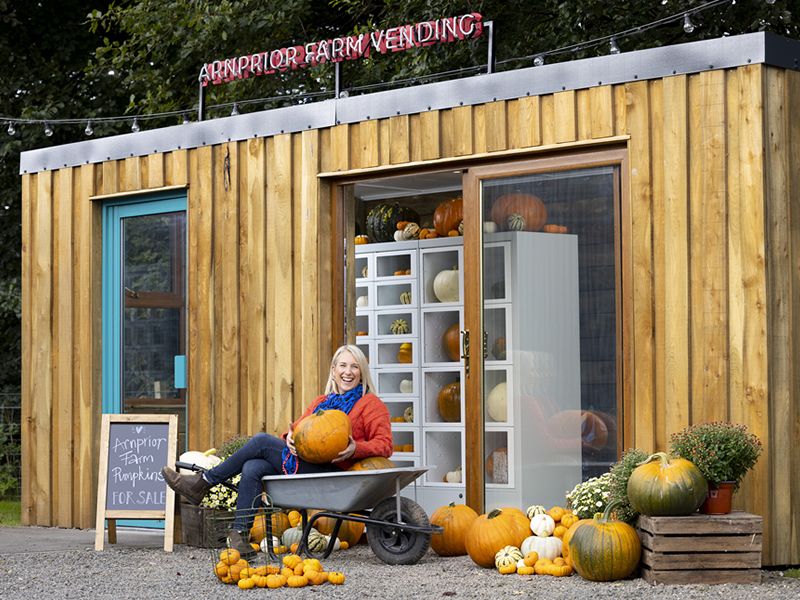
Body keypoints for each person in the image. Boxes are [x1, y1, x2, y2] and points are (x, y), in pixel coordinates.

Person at [161, 344, 392, 553]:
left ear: (362, 372)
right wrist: (289, 437)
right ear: (333, 370)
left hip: (338, 477)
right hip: (311, 468)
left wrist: (356, 449)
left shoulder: (370, 404)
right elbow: (301, 429)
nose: (348, 372)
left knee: (261, 442)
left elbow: (385, 444)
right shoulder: (322, 403)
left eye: (354, 366)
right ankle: (240, 535)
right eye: (342, 365)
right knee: (254, 466)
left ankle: (203, 482)